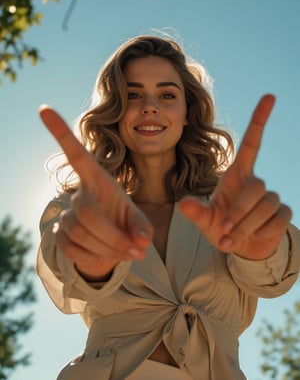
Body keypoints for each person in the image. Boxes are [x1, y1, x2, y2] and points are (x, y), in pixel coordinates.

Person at [37, 35, 300, 380]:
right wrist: (93, 267)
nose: (150, 106)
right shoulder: (85, 207)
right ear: (115, 111)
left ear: (188, 113)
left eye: (167, 95)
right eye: (133, 95)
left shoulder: (228, 205)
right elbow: (66, 269)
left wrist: (259, 253)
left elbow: (274, 279)